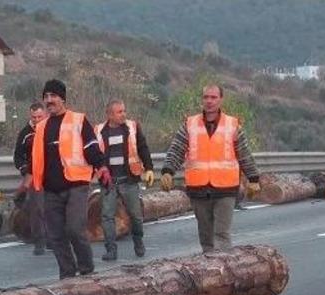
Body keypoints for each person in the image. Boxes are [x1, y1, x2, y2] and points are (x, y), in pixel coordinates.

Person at [161, 84, 261, 253]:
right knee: (206, 236)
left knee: (221, 234)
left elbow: (244, 153)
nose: (209, 101)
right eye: (206, 97)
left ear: (221, 100)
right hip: (198, 189)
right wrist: (167, 171)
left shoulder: (232, 124)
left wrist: (253, 178)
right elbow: (177, 149)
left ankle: (223, 269)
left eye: (213, 97)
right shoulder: (190, 124)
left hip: (226, 188)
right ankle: (210, 271)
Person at [27, 79, 103, 279]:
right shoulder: (41, 127)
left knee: (75, 229)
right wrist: (34, 180)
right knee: (56, 235)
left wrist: (102, 167)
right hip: (50, 189)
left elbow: (91, 147)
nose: (49, 100)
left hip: (76, 185)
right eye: (46, 96)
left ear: (63, 98)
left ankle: (86, 268)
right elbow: (35, 156)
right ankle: (67, 274)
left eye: (53, 96)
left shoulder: (78, 120)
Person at [93, 99, 154, 261]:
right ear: (110, 114)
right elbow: (92, 154)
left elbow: (143, 147)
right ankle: (111, 249)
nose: (123, 114)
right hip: (109, 181)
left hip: (129, 179)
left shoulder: (132, 127)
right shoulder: (98, 131)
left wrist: (149, 168)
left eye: (124, 111)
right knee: (107, 216)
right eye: (119, 112)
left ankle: (138, 241)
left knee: (135, 215)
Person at [13, 102, 48, 255]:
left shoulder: (51, 129)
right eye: (34, 117)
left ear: (45, 115)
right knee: (37, 208)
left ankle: (54, 239)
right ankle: (39, 241)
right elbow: (18, 156)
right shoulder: (25, 134)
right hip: (34, 176)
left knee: (53, 208)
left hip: (52, 175)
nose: (37, 120)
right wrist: (24, 170)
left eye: (40, 117)